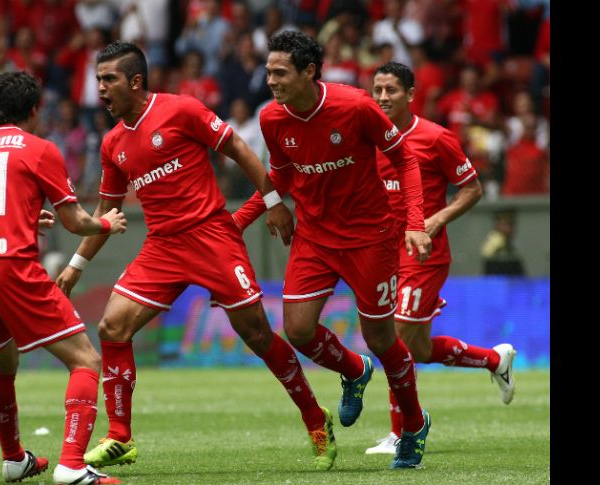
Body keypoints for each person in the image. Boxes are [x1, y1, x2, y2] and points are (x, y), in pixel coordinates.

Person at [55, 41, 338, 472]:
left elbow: (239, 149)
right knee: (112, 326)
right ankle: (119, 437)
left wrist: (274, 200)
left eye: (108, 79)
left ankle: (316, 419)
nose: (101, 89)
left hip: (212, 238)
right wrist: (76, 266)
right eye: (97, 80)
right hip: (163, 247)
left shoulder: (182, 110)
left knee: (259, 338)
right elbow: (104, 214)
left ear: (135, 81)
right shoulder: (113, 143)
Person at [232, 31, 432, 470]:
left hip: (370, 239)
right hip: (314, 237)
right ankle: (354, 371)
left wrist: (414, 223)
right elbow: (280, 174)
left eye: (280, 72)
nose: (271, 81)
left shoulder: (356, 106)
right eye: (268, 72)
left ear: (309, 72)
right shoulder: (271, 119)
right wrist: (247, 217)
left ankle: (414, 425)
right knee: (299, 331)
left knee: (383, 339)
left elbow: (405, 160)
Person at [0, 71, 125, 485]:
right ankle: (71, 465)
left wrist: (26, 216)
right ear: (34, 110)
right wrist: (105, 223)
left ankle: (14, 458)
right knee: (85, 360)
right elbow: (76, 222)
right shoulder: (39, 148)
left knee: (3, 362)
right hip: (9, 265)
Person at [367, 61, 517, 454]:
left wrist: (437, 218)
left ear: (411, 94)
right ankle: (493, 360)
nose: (383, 97)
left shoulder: (435, 138)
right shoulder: (368, 139)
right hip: (383, 255)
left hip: (423, 255)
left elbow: (472, 189)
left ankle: (402, 433)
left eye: (392, 90)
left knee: (393, 338)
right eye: (378, 90)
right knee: (417, 350)